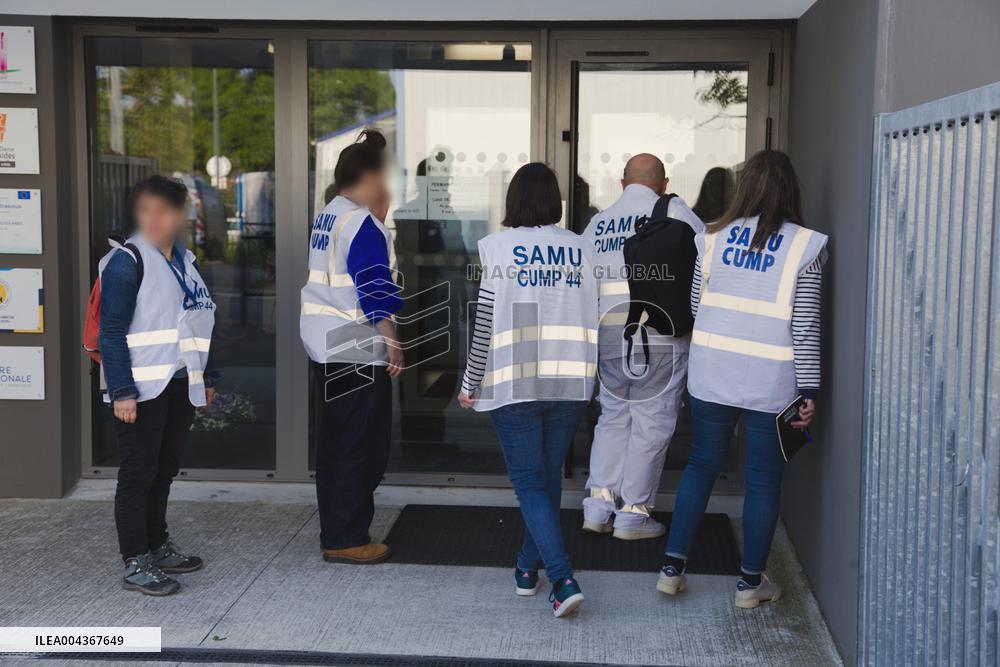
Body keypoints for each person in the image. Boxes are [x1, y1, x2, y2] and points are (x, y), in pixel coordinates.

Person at [658, 150, 827, 609]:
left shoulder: (712, 237)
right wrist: (808, 389)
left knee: (701, 465)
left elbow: (695, 305)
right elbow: (805, 324)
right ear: (790, 190)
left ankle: (672, 569)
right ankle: (750, 585)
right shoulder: (804, 246)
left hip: (712, 373)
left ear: (745, 187)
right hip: (771, 380)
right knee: (763, 481)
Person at [458, 162, 599, 618]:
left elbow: (484, 324)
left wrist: (469, 382)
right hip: (569, 381)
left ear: (513, 200)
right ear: (554, 202)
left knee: (529, 482)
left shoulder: (497, 248)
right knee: (546, 476)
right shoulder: (581, 249)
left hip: (516, 381)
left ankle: (561, 578)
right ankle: (526, 567)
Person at [98, 175, 218, 596]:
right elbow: (109, 332)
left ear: (180, 215)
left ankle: (156, 543)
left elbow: (195, 323)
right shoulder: (126, 261)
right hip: (139, 389)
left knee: (164, 469)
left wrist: (206, 378)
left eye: (163, 209)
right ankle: (136, 559)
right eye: (146, 209)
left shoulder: (185, 260)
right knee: (138, 473)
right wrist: (123, 392)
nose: (154, 218)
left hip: (179, 381)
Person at [580, 154, 705, 540]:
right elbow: (706, 264)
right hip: (658, 335)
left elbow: (583, 284)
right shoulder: (676, 213)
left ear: (622, 184)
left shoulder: (597, 224)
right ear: (663, 183)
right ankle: (633, 514)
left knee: (614, 417)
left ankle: (598, 507)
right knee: (652, 422)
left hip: (609, 335)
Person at [300, 128, 404, 565]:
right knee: (360, 445)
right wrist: (392, 341)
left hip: (328, 347)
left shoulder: (330, 214)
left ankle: (339, 531)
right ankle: (346, 537)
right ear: (368, 176)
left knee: (337, 443)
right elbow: (374, 287)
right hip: (356, 349)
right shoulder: (361, 223)